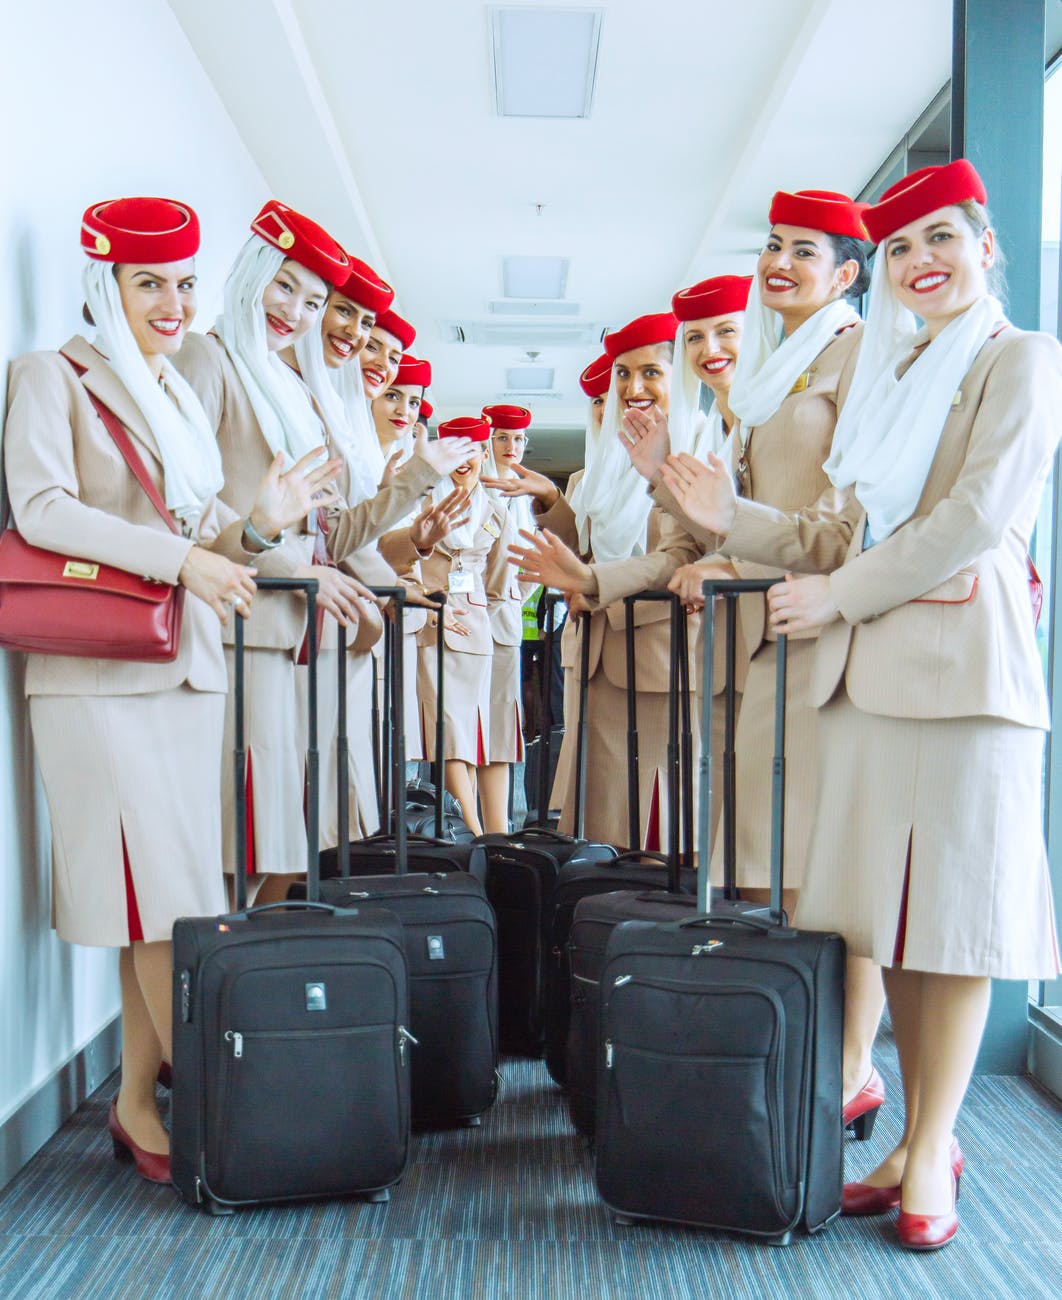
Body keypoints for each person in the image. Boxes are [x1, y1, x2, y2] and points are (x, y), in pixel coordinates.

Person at [755, 160, 1061, 1249]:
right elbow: (836, 531)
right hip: (872, 675)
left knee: (956, 923)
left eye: (940, 238)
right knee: (897, 923)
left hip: (964, 671)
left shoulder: (1021, 359)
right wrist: (719, 513)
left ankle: (934, 1145)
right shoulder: (893, 379)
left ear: (986, 248)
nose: (920, 261)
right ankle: (915, 1141)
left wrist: (836, 595)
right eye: (899, 249)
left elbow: (974, 516)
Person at [2, 196, 337, 1182]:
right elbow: (41, 507)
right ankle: (213, 1105)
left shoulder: (169, 393)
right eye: (149, 282)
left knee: (161, 903)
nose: (173, 303)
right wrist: (184, 560)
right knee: (166, 905)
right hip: (99, 680)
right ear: (105, 284)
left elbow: (206, 542)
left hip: (184, 671)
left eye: (185, 283)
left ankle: (137, 1104)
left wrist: (260, 525)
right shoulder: (51, 376)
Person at [649, 194, 883, 1124]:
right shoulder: (773, 375)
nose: (779, 262)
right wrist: (720, 550)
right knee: (763, 862)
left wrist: (736, 554)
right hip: (762, 634)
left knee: (831, 871)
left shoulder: (860, 356)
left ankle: (851, 1068)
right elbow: (742, 513)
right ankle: (797, 1058)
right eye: (773, 246)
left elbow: (851, 512)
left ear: (846, 273)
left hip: (825, 630)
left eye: (803, 251)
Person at [175, 201, 473, 903]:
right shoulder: (207, 357)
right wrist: (294, 567)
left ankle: (262, 967)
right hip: (239, 628)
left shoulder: (292, 389)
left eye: (312, 302)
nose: (295, 312)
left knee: (285, 844)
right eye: (285, 288)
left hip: (293, 633)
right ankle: (229, 971)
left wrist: (418, 474)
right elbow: (186, 504)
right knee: (236, 847)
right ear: (251, 274)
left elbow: (331, 535)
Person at [510, 315, 705, 850]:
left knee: (658, 814)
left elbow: (681, 553)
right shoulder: (602, 466)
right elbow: (586, 548)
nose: (631, 388)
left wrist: (591, 580)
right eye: (623, 375)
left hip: (658, 650)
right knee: (601, 814)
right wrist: (552, 501)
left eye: (651, 372)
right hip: (596, 646)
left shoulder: (693, 447)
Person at [415, 416, 516, 835]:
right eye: (455, 450)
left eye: (472, 450)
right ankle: (476, 832)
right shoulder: (422, 500)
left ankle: (474, 832)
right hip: (430, 620)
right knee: (449, 730)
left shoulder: (495, 511)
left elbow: (499, 582)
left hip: (474, 629)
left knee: (470, 733)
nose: (464, 460)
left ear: (484, 453)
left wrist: (479, 612)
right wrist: (424, 607)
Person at [478, 403, 538, 829]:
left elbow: (531, 562)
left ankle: (505, 825)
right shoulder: (474, 485)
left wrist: (513, 595)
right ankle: (469, 822)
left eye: (518, 439)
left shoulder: (526, 496)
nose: (510, 446)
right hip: (471, 615)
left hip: (505, 618)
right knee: (466, 725)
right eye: (501, 437)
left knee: (503, 724)